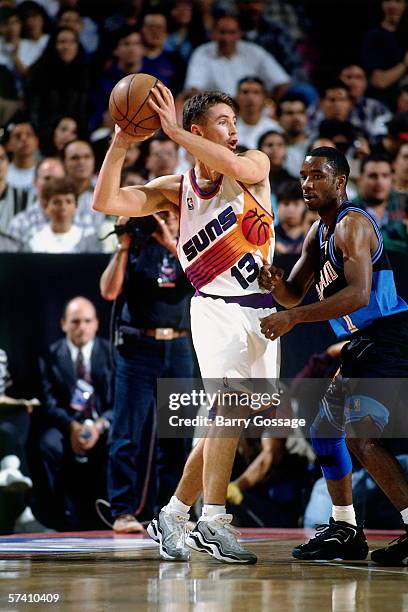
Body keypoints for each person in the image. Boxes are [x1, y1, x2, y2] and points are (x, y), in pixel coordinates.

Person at [92, 86, 279, 564]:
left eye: (235, 121)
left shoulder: (254, 165)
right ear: (198, 130)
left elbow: (239, 167)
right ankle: (213, 520)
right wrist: (121, 140)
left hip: (262, 310)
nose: (234, 130)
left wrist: (175, 132)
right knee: (231, 405)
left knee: (239, 415)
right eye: (222, 122)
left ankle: (173, 514)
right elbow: (105, 201)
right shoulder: (176, 189)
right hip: (214, 306)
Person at [258, 146, 408, 565]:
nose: (307, 183)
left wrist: (295, 319)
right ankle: (345, 528)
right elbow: (292, 291)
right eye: (304, 176)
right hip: (364, 342)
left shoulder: (352, 225)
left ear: (340, 182)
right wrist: (273, 283)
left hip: (389, 336)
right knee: (325, 429)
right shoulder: (317, 232)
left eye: (317, 176)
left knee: (362, 435)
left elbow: (358, 293)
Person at [100, 213, 194, 533]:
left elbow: (200, 282)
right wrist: (123, 246)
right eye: (159, 215)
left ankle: (170, 513)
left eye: (171, 214)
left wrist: (171, 241)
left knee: (176, 436)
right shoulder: (136, 246)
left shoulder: (189, 246)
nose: (165, 220)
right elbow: (109, 291)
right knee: (127, 432)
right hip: (139, 347)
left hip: (179, 347)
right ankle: (123, 511)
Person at [34, 297, 113, 530]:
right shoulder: (49, 356)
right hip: (65, 425)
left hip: (102, 424)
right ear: (63, 324)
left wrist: (99, 426)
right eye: (75, 322)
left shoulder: (111, 353)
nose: (82, 327)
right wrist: (72, 427)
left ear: (96, 323)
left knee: (120, 443)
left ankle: (114, 512)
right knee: (48, 444)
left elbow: (121, 402)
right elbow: (48, 403)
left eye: (87, 321)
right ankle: (56, 516)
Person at [184, 13, 290, 98]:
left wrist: (268, 103)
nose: (226, 38)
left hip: (251, 114)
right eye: (222, 32)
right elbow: (193, 89)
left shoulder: (254, 52)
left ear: (240, 34)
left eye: (232, 33)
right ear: (213, 33)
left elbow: (282, 82)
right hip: (216, 114)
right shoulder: (202, 53)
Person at [27, 176, 100, 254]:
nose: (63, 207)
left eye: (68, 201)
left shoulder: (89, 237)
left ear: (76, 206)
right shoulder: (34, 238)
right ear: (45, 206)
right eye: (57, 202)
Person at [235, 76, 282, 150]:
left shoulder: (275, 129)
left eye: (256, 92)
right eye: (245, 92)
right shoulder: (227, 128)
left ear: (264, 97)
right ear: (236, 97)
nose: (250, 97)